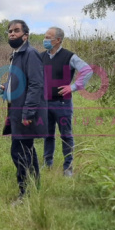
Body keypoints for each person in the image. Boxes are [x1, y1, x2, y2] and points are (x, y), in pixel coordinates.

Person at [0, 20, 47, 204]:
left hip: (25, 113)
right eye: (9, 31)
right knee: (26, 150)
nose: (12, 34)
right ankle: (34, 187)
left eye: (16, 31)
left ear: (25, 35)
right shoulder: (17, 55)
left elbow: (36, 84)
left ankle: (25, 193)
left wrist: (28, 113)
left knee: (20, 152)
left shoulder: (30, 54)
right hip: (16, 110)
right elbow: (23, 81)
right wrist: (7, 87)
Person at [41, 27, 93, 177]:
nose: (45, 40)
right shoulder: (41, 57)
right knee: (48, 135)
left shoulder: (68, 56)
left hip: (62, 104)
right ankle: (47, 163)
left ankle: (68, 167)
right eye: (45, 37)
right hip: (45, 103)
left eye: (48, 37)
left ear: (58, 40)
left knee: (66, 135)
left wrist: (74, 87)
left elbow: (87, 70)